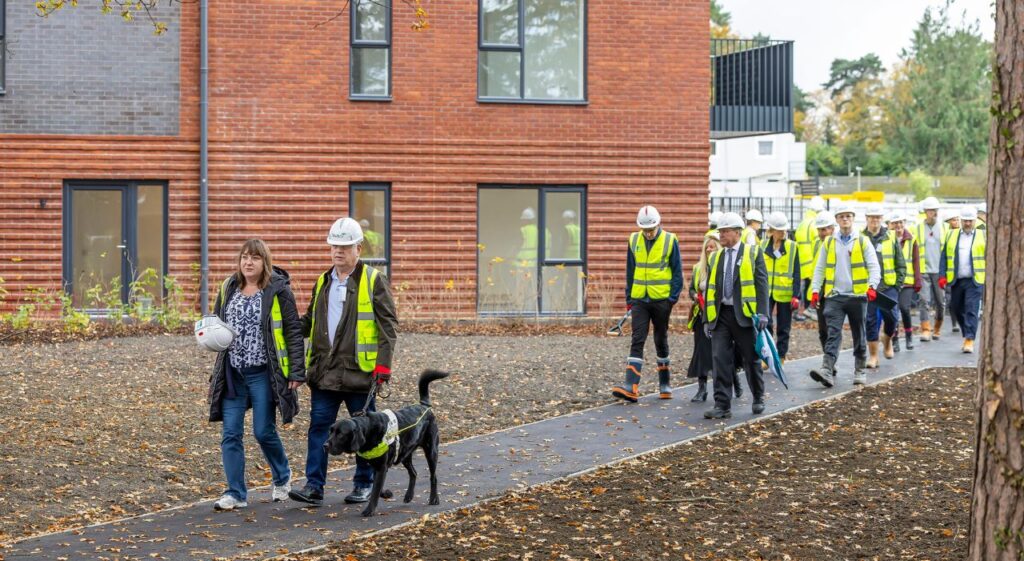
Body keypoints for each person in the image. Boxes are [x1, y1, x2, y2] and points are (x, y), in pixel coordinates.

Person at [289, 217, 399, 506]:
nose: (338, 251)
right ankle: (314, 487)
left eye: (344, 246)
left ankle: (364, 484)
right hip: (325, 373)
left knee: (367, 434)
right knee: (318, 428)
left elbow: (388, 327)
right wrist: (284, 328)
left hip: (360, 374)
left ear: (358, 248)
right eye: (334, 246)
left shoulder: (374, 280)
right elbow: (310, 321)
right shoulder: (323, 281)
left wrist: (383, 368)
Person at [207, 239, 305, 511]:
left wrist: (297, 371)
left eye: (255, 258)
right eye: (244, 257)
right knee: (230, 434)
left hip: (263, 373)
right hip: (233, 374)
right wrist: (209, 335)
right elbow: (218, 322)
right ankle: (235, 493)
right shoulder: (229, 287)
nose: (248, 262)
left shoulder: (278, 290)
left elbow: (293, 331)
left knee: (263, 431)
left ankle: (282, 477)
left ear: (265, 262)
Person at [613, 205, 684, 402]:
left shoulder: (670, 240)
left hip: (661, 300)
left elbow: (677, 272)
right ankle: (631, 386)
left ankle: (665, 384)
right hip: (639, 300)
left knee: (660, 339)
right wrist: (630, 299)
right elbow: (630, 270)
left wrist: (672, 299)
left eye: (651, 229)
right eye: (645, 230)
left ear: (659, 224)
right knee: (637, 339)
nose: (648, 233)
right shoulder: (634, 239)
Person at [702, 212, 769, 419]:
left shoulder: (753, 253)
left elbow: (762, 284)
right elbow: (710, 290)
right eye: (720, 231)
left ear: (738, 232)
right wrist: (707, 319)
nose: (721, 235)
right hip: (721, 315)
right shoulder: (716, 257)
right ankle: (722, 405)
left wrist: (764, 314)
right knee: (719, 359)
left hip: (745, 316)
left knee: (751, 359)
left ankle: (758, 396)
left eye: (725, 231)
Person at [808, 203, 881, 387]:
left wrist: (872, 286)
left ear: (853, 218)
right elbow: (820, 268)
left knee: (859, 333)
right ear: (837, 220)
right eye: (841, 216)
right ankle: (827, 370)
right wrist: (815, 290)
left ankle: (860, 369)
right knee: (833, 333)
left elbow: (874, 266)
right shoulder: (829, 242)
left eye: (848, 216)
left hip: (857, 296)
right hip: (835, 296)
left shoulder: (862, 241)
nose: (845, 219)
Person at [862, 205, 905, 367]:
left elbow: (900, 263)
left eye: (878, 217)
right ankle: (873, 356)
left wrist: (897, 285)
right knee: (870, 320)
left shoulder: (890, 237)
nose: (875, 220)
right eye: (872, 217)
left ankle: (887, 340)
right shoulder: (860, 237)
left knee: (892, 317)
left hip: (888, 286)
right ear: (867, 218)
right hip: (868, 287)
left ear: (882, 219)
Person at [939, 207, 986, 353]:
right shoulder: (951, 235)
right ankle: (967, 332)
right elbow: (944, 257)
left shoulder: (983, 235)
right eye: (965, 220)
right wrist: (942, 275)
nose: (967, 223)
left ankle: (969, 340)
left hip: (975, 279)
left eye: (970, 221)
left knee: (972, 308)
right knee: (955, 308)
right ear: (960, 220)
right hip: (956, 279)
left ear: (975, 221)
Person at [686, 231, 722, 402]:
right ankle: (702, 389)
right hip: (701, 317)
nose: (709, 249)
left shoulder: (722, 267)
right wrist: (694, 295)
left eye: (712, 247)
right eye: (707, 247)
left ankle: (730, 384)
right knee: (701, 352)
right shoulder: (697, 268)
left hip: (719, 316)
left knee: (721, 352)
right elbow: (691, 289)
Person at [760, 211, 801, 362]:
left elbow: (797, 272)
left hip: (785, 292)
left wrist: (796, 295)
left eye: (784, 229)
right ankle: (769, 356)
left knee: (784, 327)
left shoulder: (792, 246)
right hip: (766, 292)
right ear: (771, 230)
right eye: (780, 229)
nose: (783, 232)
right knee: (766, 324)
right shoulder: (763, 245)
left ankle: (781, 356)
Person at [912, 196, 947, 342]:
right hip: (924, 271)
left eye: (935, 210)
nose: (934, 213)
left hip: (939, 271)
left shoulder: (944, 228)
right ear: (925, 212)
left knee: (940, 302)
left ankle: (937, 328)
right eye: (931, 210)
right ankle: (925, 329)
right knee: (924, 301)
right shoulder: (918, 228)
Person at [888, 212, 921, 351]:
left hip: (907, 281)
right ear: (890, 225)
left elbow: (916, 261)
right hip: (892, 281)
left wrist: (917, 281)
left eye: (900, 222)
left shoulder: (911, 240)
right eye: (895, 223)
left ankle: (908, 336)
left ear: (904, 223)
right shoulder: (887, 240)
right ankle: (895, 339)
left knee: (904, 308)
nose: (898, 226)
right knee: (893, 311)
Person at [794, 196, 826, 322]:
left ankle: (801, 312)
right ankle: (809, 310)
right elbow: (818, 242)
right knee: (812, 287)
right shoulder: (814, 223)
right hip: (811, 261)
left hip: (801, 261)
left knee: (803, 288)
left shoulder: (802, 223)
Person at [810, 210, 836, 351]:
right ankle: (828, 356)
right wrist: (814, 291)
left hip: (835, 290)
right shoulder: (816, 244)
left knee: (833, 327)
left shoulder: (839, 243)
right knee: (823, 328)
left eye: (824, 229)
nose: (821, 233)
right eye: (820, 230)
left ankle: (830, 359)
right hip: (821, 290)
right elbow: (816, 269)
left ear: (832, 229)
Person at [942, 211, 962, 334]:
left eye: (957, 219)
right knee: (951, 300)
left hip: (962, 272)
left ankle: (961, 320)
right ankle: (955, 323)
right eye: (953, 220)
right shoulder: (946, 235)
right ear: (948, 222)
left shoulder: (964, 234)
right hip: (950, 274)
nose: (956, 222)